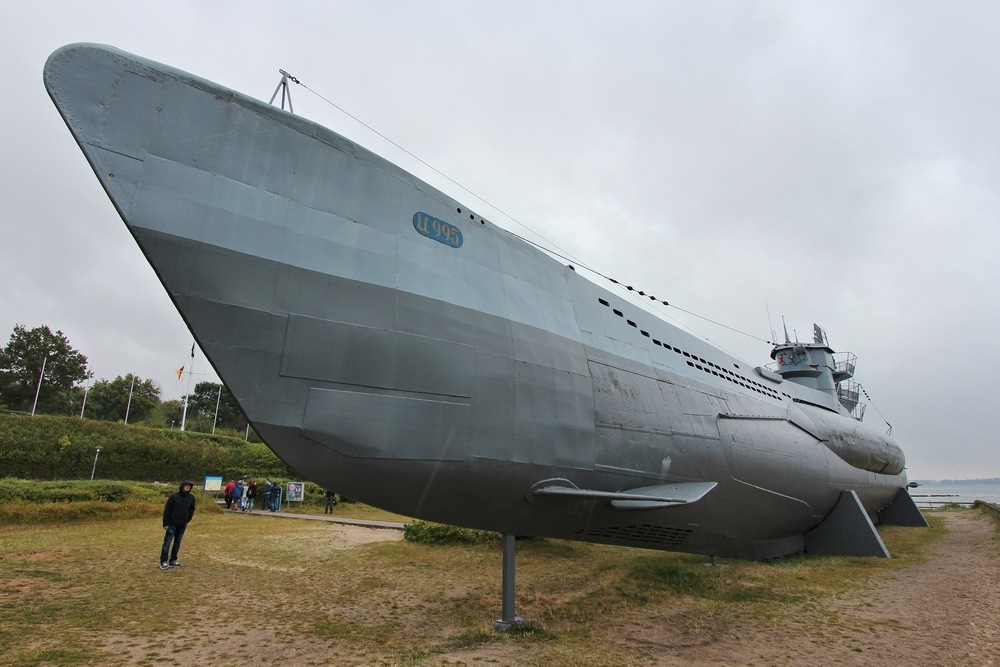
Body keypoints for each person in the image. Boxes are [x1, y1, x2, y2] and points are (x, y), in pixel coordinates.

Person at [160, 480, 196, 569]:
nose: (188, 487)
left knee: (177, 543)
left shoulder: (191, 497)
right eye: (186, 486)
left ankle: (173, 560)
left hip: (182, 524)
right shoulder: (174, 497)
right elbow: (167, 510)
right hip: (172, 524)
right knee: (167, 543)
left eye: (189, 486)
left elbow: (192, 509)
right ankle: (164, 561)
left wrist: (187, 519)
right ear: (182, 486)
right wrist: (165, 523)